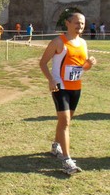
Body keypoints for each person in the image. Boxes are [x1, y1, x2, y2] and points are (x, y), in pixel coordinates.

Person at [39, 12, 96, 174]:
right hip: (60, 87)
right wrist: (50, 80)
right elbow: (42, 63)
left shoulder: (83, 43)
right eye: (77, 23)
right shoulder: (58, 42)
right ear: (68, 23)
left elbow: (81, 68)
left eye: (83, 24)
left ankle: (56, 146)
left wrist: (88, 65)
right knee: (65, 122)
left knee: (66, 121)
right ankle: (67, 159)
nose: (81, 26)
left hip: (76, 87)